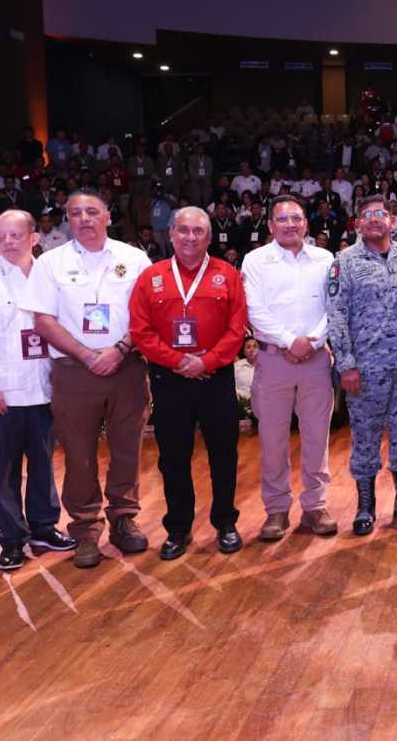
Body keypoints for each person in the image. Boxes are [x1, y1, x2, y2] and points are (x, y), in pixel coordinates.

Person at [22, 190, 153, 569]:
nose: (84, 219)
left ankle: (124, 517)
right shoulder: (50, 262)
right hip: (73, 371)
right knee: (78, 454)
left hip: (127, 367)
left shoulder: (134, 258)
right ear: (68, 219)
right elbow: (42, 320)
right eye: (75, 213)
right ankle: (85, 529)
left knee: (127, 447)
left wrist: (119, 350)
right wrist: (87, 354)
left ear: (108, 216)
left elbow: (147, 316)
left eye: (92, 212)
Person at [0, 210, 74, 572]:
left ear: (34, 238)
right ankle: (11, 538)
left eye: (16, 235)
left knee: (43, 463)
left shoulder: (51, 275)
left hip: (45, 386)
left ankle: (44, 527)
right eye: (1, 236)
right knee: (5, 469)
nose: (7, 242)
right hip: (3, 390)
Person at [129, 208, 248, 560]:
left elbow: (237, 329)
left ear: (209, 237)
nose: (191, 237)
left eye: (198, 231)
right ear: (171, 234)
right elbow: (140, 331)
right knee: (173, 458)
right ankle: (178, 527)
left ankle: (225, 522)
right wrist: (178, 361)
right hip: (169, 380)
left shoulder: (227, 275)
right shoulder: (151, 277)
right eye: (183, 230)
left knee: (224, 454)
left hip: (216, 378)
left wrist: (206, 362)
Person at [328, 195, 397, 536]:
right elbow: (336, 315)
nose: (374, 219)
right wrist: (346, 365)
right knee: (365, 437)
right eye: (366, 214)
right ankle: (365, 504)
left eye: (380, 213)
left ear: (392, 220)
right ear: (357, 224)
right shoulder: (344, 262)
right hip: (365, 369)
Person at [241, 197, 339, 539]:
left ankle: (315, 506)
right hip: (273, 360)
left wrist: (311, 342)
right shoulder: (255, 261)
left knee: (316, 437)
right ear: (270, 225)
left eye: (296, 218)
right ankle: (277, 510)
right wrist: (288, 341)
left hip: (316, 360)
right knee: (272, 439)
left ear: (306, 224)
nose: (290, 224)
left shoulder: (325, 259)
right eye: (282, 219)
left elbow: (334, 306)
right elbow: (253, 309)